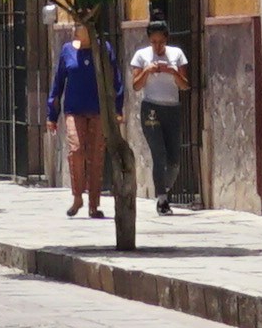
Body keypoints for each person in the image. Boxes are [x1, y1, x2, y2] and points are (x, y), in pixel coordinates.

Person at [125, 15, 194, 214]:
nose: (158, 46)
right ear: (149, 40)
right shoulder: (141, 56)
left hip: (172, 108)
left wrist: (173, 72)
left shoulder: (177, 54)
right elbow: (136, 86)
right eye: (154, 42)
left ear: (166, 39)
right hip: (151, 109)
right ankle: (162, 199)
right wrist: (146, 70)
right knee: (159, 154)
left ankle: (163, 188)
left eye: (161, 42)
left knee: (174, 161)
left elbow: (185, 85)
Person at [46, 25, 110, 214]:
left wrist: (117, 108)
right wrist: (52, 114)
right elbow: (58, 82)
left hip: (98, 110)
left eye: (79, 25)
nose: (75, 28)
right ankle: (77, 197)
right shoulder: (67, 50)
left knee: (96, 156)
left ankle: (94, 205)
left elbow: (114, 77)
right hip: (73, 110)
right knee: (76, 150)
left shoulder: (103, 49)